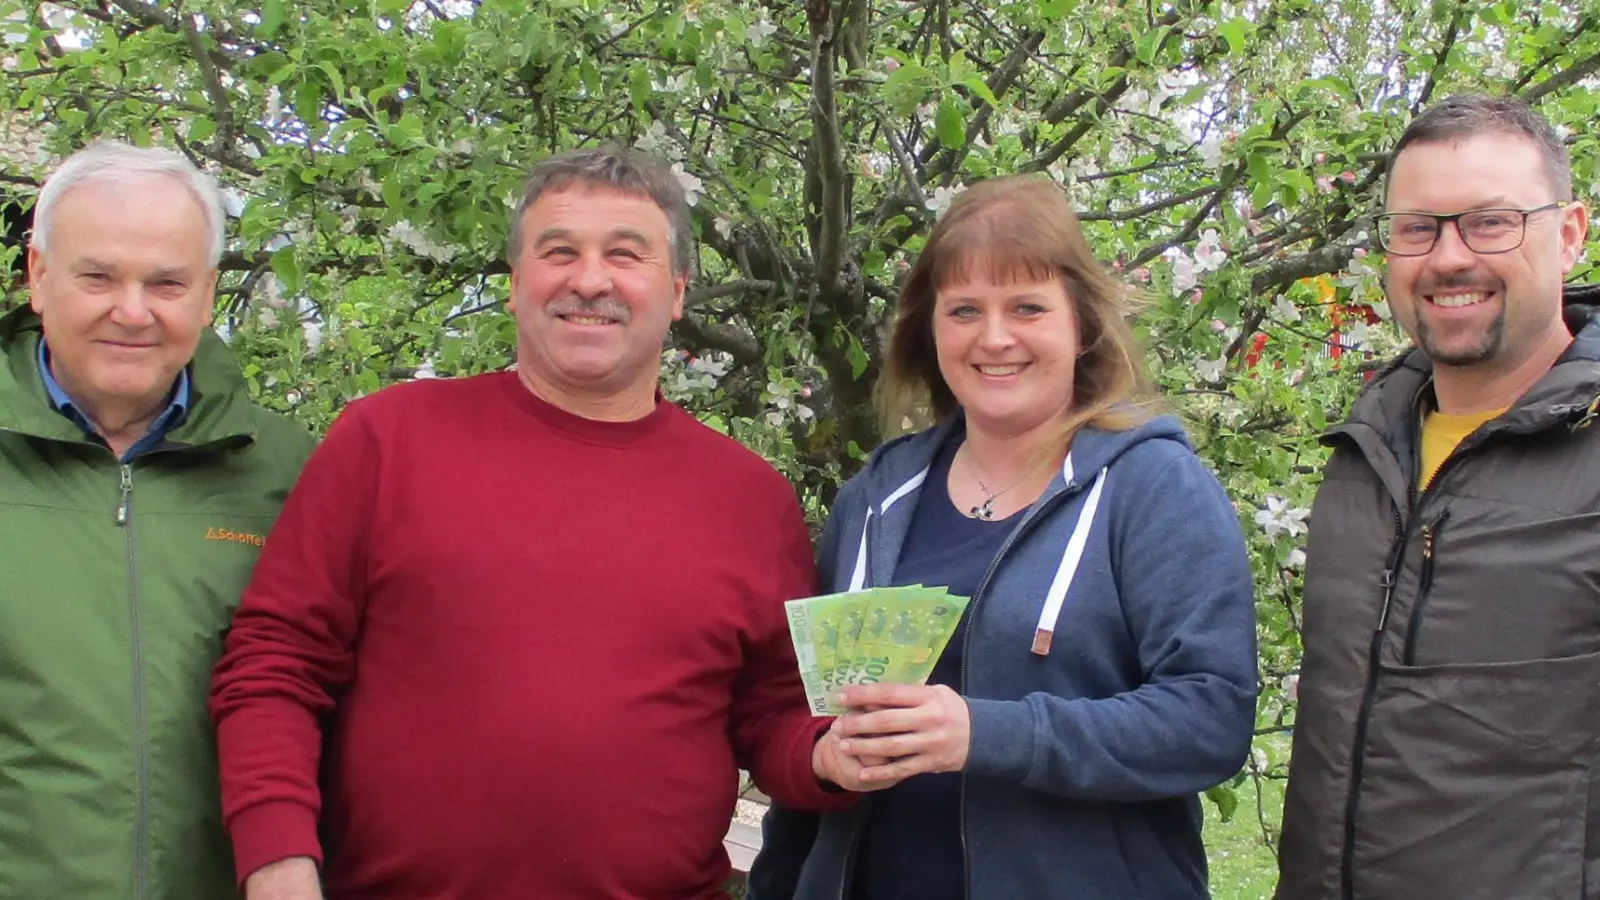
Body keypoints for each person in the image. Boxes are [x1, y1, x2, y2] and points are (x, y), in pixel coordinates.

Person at [208, 146, 862, 900]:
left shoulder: (751, 500)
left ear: (677, 291)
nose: (590, 279)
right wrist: (277, 860)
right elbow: (274, 662)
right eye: (560, 252)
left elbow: (772, 716)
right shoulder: (387, 440)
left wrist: (829, 756)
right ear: (517, 286)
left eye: (626, 254)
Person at [747, 174, 1258, 900]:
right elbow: (813, 722)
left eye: (1027, 307)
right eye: (964, 310)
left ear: (1080, 324)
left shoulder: (1152, 490)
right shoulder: (875, 498)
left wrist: (987, 735)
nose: (994, 337)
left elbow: (1211, 717)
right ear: (930, 328)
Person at [1275, 93, 1600, 900]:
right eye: (1418, 228)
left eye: (1490, 222)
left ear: (1569, 234)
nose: (1449, 257)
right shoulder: (1365, 454)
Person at [0, 141, 315, 898]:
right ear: (39, 277)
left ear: (207, 295)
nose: (132, 311)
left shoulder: (291, 473)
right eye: (98, 276)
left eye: (166, 283)